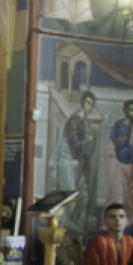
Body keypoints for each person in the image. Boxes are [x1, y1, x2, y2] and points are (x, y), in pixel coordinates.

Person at [51, 90, 97, 234]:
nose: (90, 106)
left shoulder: (86, 123)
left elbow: (89, 150)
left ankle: (75, 230)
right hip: (68, 164)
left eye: (92, 104)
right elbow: (74, 145)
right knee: (70, 199)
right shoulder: (73, 121)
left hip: (79, 165)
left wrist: (90, 142)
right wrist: (87, 141)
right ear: (82, 103)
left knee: (83, 197)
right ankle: (63, 231)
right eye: (88, 103)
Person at [105, 99, 133, 225]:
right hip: (119, 170)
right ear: (125, 111)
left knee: (128, 200)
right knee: (119, 198)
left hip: (127, 169)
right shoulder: (121, 128)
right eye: (131, 110)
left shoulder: (131, 127)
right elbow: (122, 155)